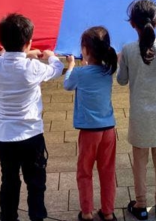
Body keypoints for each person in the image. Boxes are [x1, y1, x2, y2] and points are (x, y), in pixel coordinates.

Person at [0, 14, 64, 221]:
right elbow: (56, 70)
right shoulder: (34, 68)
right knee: (36, 181)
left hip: (5, 137)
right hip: (31, 135)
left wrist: (27, 53)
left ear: (1, 41)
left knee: (9, 181)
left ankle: (8, 217)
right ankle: (36, 216)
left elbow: (3, 56)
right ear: (29, 42)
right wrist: (50, 55)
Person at [117, 0, 156, 220]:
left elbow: (122, 80)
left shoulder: (127, 49)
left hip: (140, 117)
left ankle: (141, 205)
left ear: (132, 24)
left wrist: (121, 62)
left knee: (140, 162)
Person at [62, 27, 118, 221]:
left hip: (89, 132)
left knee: (85, 172)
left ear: (85, 49)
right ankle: (108, 212)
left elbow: (68, 84)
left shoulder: (79, 73)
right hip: (109, 130)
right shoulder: (107, 71)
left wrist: (70, 65)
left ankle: (87, 213)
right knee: (107, 171)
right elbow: (92, 73)